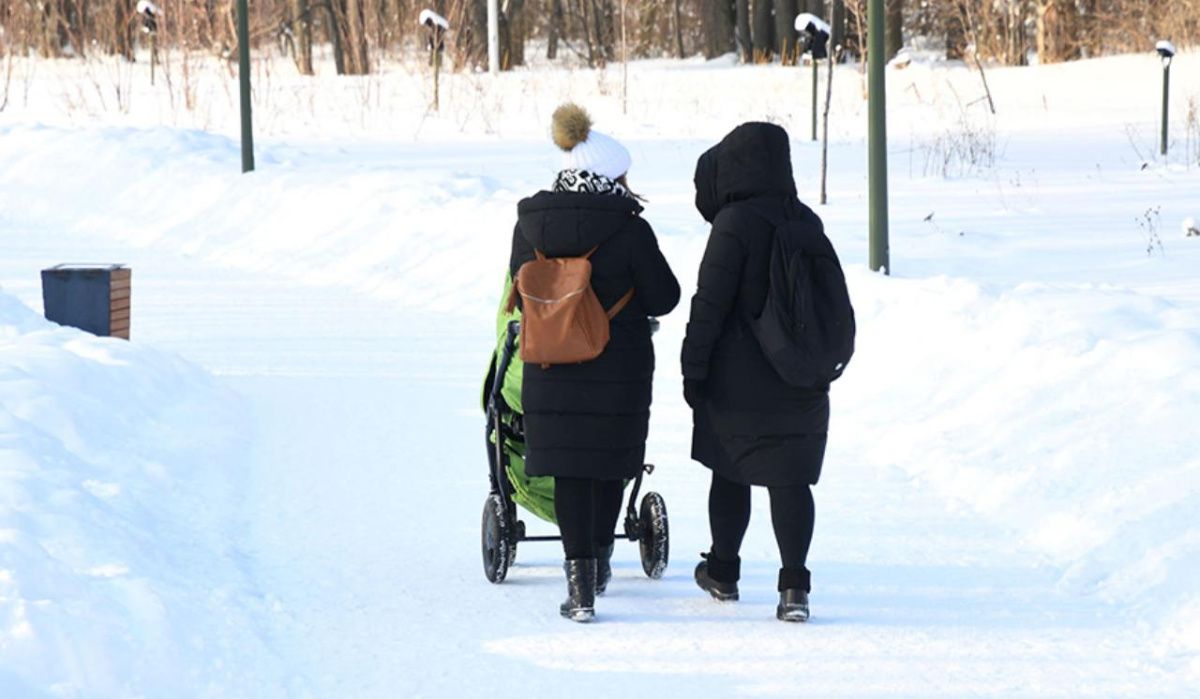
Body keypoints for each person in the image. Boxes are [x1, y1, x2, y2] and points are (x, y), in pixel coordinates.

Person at [509, 104, 679, 622]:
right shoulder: (629, 229)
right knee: (607, 465)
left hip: (549, 365)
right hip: (618, 368)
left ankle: (579, 585)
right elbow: (664, 296)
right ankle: (601, 562)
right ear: (610, 176)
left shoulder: (530, 226)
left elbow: (517, 286)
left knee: (568, 470)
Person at [681, 122, 830, 622]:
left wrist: (693, 368)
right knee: (790, 480)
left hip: (737, 379)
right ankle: (794, 590)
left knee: (731, 470)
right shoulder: (805, 220)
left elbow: (710, 303)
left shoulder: (734, 223)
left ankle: (723, 573)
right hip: (800, 377)